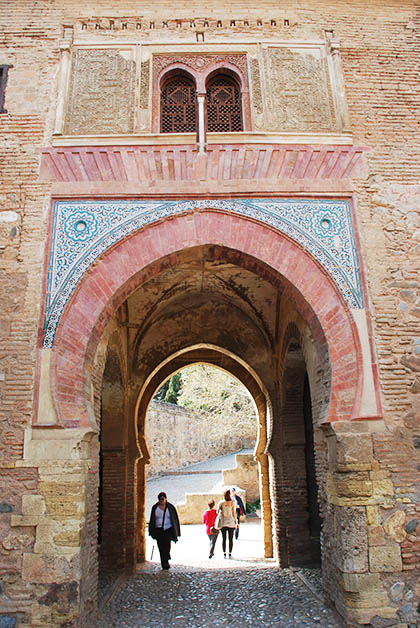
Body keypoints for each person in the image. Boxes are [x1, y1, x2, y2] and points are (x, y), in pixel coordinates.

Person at [148, 491, 181, 570]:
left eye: (163, 499)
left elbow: (175, 519)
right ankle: (164, 563)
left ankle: (166, 557)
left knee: (167, 546)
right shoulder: (155, 508)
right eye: (160, 499)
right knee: (161, 547)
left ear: (166, 499)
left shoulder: (170, 507)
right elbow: (152, 519)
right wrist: (151, 530)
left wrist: (176, 530)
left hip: (168, 529)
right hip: (158, 530)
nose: (162, 500)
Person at [217, 489, 238, 558]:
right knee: (231, 539)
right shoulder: (232, 503)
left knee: (224, 539)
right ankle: (229, 553)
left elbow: (217, 512)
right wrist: (236, 522)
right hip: (231, 522)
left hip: (223, 522)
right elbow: (234, 513)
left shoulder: (221, 503)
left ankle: (224, 553)